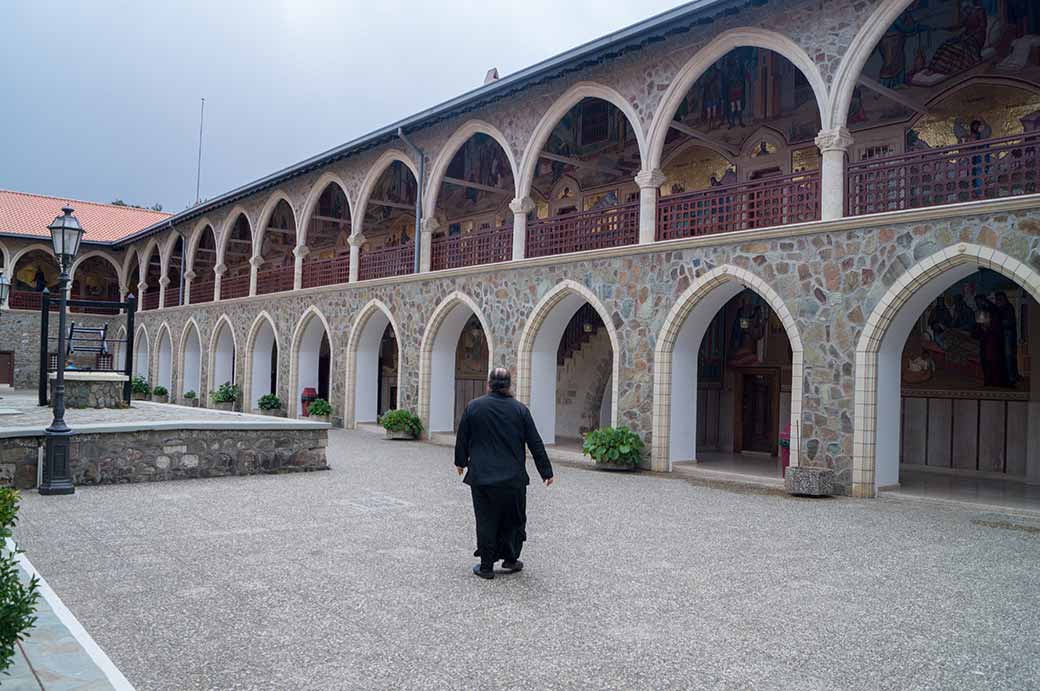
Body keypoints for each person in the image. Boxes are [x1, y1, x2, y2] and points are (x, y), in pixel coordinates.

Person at [454, 367, 554, 580]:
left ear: (488, 384)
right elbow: (535, 442)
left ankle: (487, 566)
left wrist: (460, 462)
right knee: (513, 519)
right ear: (509, 386)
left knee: (486, 520)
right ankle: (510, 558)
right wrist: (545, 471)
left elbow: (463, 437)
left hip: (482, 477)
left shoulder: (474, 407)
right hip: (512, 478)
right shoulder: (520, 410)